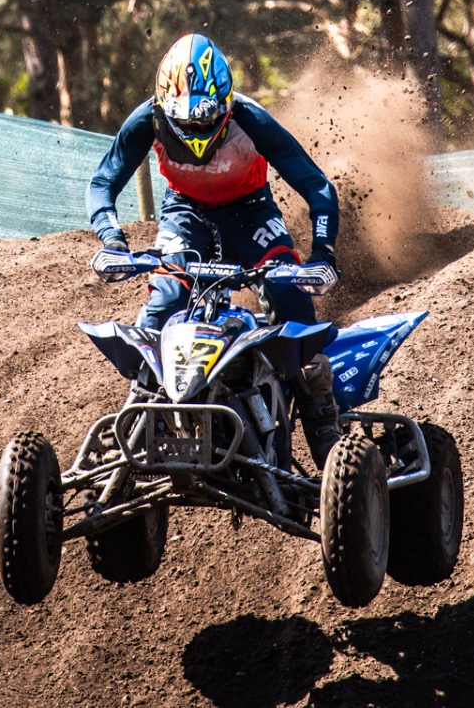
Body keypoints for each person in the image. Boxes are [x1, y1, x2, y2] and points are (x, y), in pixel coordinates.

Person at [87, 33, 343, 462]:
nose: (195, 131)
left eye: (206, 120)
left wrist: (323, 253)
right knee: (161, 306)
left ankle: (322, 423)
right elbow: (103, 182)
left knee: (290, 299)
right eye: (183, 122)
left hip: (250, 212)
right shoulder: (147, 119)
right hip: (185, 213)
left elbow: (316, 184)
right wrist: (112, 240)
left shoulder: (251, 118)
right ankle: (139, 417)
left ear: (225, 104)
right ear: (163, 106)